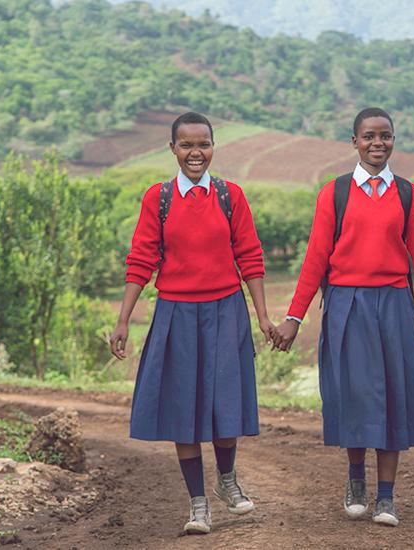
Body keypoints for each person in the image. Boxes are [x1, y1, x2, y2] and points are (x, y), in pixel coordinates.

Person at [272, 107, 414, 527]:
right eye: (369, 136)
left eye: (386, 136)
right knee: (355, 394)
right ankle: (355, 478)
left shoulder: (408, 194)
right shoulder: (335, 193)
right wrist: (295, 317)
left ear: (394, 140)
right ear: (354, 141)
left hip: (395, 304)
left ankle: (386, 497)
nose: (377, 143)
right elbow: (315, 259)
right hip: (346, 305)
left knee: (393, 395)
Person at [109, 112, 275, 535]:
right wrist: (124, 319)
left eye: (203, 144)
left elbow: (250, 258)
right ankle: (198, 503)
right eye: (186, 145)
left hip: (226, 310)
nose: (195, 153)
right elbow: (141, 259)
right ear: (173, 149)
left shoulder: (230, 195)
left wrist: (261, 315)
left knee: (225, 404)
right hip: (176, 313)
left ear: (213, 147)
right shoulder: (158, 199)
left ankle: (227, 480)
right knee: (184, 410)